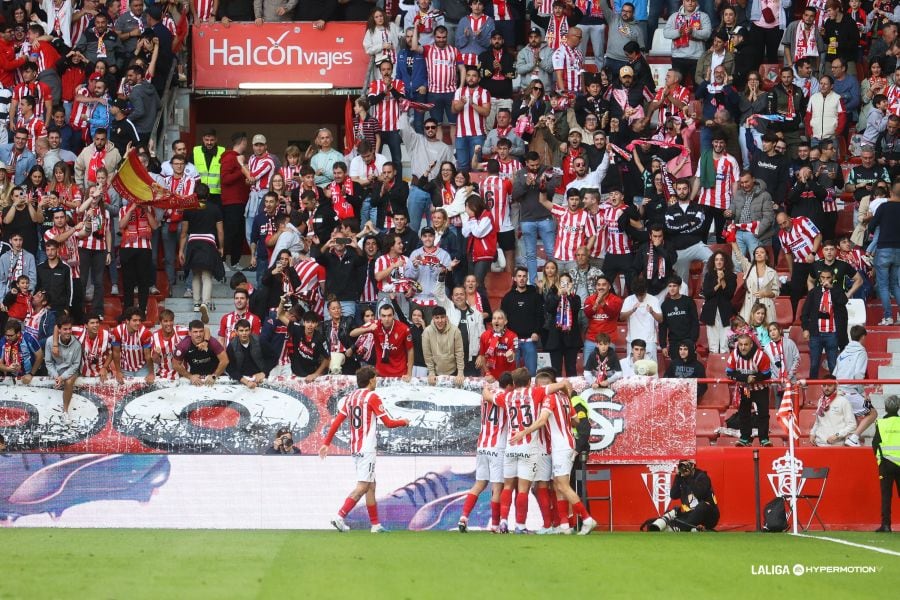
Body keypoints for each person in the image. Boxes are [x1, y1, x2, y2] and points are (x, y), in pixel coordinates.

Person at [319, 366, 411, 533]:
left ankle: (375, 525)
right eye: (375, 378)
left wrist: (326, 443)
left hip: (355, 447)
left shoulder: (350, 398)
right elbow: (389, 423)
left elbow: (337, 421)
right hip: (367, 448)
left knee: (371, 485)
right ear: (370, 380)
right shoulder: (372, 397)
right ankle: (340, 516)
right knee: (363, 486)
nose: (376, 381)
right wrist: (403, 421)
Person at [512, 368, 596, 535]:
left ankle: (587, 519)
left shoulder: (549, 399)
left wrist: (523, 432)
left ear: (545, 386)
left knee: (563, 486)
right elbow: (576, 420)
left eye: (538, 387)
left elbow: (542, 420)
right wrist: (562, 422)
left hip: (560, 446)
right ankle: (563, 525)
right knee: (558, 485)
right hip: (566, 443)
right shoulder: (565, 398)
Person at [458, 370, 512, 533]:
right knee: (497, 487)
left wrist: (487, 387)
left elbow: (486, 393)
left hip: (482, 445)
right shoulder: (506, 397)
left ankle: (463, 517)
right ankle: (495, 525)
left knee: (479, 484)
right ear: (509, 386)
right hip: (497, 446)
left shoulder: (486, 393)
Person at [833, 325, 878, 447]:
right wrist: (863, 394)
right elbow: (859, 374)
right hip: (851, 391)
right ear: (863, 337)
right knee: (873, 413)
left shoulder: (842, 353)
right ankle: (853, 438)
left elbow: (834, 373)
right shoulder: (861, 352)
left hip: (838, 391)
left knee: (852, 418)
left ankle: (850, 439)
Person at [644, 459, 719, 532]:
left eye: (685, 465)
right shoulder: (682, 478)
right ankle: (692, 528)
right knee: (675, 510)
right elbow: (673, 495)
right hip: (691, 514)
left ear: (692, 465)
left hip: (709, 515)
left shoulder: (702, 477)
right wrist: (677, 477)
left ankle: (678, 527)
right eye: (681, 466)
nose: (683, 468)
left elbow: (699, 494)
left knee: (701, 506)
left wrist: (689, 478)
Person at [726, 333, 773, 447]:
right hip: (746, 389)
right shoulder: (734, 355)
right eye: (741, 345)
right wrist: (745, 378)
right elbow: (729, 373)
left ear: (751, 345)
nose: (743, 347)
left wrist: (755, 378)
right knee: (744, 412)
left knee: (763, 413)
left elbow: (767, 374)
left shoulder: (761, 356)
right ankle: (745, 438)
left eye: (746, 344)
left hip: (760, 389)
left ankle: (764, 439)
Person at [802, 269, 848, 378]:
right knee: (814, 365)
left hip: (832, 334)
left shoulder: (838, 291)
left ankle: (835, 390)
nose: (825, 280)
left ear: (833, 278)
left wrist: (833, 289)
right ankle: (812, 390)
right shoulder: (814, 292)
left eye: (828, 277)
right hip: (815, 334)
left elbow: (844, 301)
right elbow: (804, 313)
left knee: (833, 365)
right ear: (819, 278)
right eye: (823, 277)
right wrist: (805, 328)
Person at [777, 211, 822, 321]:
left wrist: (813, 253)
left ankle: (820, 316)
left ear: (789, 218)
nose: (783, 226)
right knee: (794, 290)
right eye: (780, 224)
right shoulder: (781, 234)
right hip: (799, 263)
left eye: (785, 223)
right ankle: (794, 318)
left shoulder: (802, 221)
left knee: (819, 289)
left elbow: (818, 236)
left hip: (816, 259)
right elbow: (787, 253)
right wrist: (792, 272)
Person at [351, 303, 414, 381]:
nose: (386, 319)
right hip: (381, 373)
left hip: (400, 373)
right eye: (383, 316)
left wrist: (409, 373)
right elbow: (352, 333)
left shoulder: (404, 329)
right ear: (379, 316)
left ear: (393, 316)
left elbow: (410, 350)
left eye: (389, 315)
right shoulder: (374, 324)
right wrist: (368, 329)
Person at [500, 267, 544, 375]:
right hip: (512, 341)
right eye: (519, 276)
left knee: (532, 374)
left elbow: (540, 316)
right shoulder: (508, 297)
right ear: (514, 278)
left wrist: (536, 332)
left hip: (530, 340)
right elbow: (502, 318)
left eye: (524, 276)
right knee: (512, 374)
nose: (522, 279)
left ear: (527, 278)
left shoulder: (535, 296)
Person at [663, 0, 711, 87]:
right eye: (687, 0)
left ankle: (699, 101)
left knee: (699, 88)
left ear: (696, 2)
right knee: (676, 87)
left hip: (697, 57)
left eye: (693, 1)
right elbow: (666, 33)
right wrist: (678, 32)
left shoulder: (703, 16)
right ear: (683, 2)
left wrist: (693, 32)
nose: (690, 3)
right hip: (678, 57)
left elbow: (707, 34)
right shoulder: (674, 16)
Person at [543, 272, 582, 377]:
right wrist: (558, 295)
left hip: (571, 339)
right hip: (556, 339)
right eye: (562, 282)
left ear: (571, 284)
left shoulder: (575, 297)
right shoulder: (552, 296)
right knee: (555, 370)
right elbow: (549, 309)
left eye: (567, 282)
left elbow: (575, 308)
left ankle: (572, 392)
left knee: (571, 369)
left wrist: (569, 294)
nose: (564, 285)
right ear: (557, 284)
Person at [277, 306, 329, 382]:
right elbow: (280, 315)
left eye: (313, 322)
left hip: (310, 377)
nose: (310, 325)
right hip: (293, 374)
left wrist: (315, 374)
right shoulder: (297, 329)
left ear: (317, 324)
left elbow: (327, 358)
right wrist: (282, 302)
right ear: (304, 322)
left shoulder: (321, 338)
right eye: (308, 322)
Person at [872, 394, 900, 533]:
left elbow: (875, 444)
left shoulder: (881, 423)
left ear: (886, 408)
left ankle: (886, 525)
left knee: (886, 495)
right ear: (898, 407)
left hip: (886, 464)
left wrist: (879, 461)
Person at [172, 320, 229, 385]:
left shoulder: (212, 342)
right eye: (195, 332)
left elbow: (225, 360)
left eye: (201, 331)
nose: (198, 334)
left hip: (213, 377)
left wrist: (214, 376)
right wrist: (190, 376)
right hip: (196, 378)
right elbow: (175, 364)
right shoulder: (184, 345)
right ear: (190, 333)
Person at [701, 251, 737, 353]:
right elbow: (707, 294)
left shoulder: (731, 276)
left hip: (725, 312)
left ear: (725, 262)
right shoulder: (708, 275)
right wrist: (717, 283)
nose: (719, 262)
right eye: (716, 259)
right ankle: (714, 366)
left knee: (725, 345)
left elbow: (729, 294)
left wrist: (722, 280)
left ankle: (724, 366)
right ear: (713, 262)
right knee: (713, 345)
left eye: (721, 259)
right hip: (711, 312)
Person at [619, 275, 662, 358]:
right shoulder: (628, 300)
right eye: (637, 295)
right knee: (632, 369)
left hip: (649, 342)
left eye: (642, 295)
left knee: (650, 370)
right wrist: (632, 310)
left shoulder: (654, 299)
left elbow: (660, 319)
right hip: (632, 341)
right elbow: (621, 318)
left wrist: (652, 312)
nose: (640, 297)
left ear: (646, 290)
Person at [422, 305, 465, 385]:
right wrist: (431, 372)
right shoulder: (427, 332)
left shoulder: (455, 331)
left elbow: (459, 352)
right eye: (437, 318)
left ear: (446, 318)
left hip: (453, 372)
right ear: (433, 319)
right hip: (435, 373)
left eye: (442, 317)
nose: (440, 320)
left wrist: (460, 372)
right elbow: (427, 355)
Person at [809, 376, 858, 447]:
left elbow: (852, 425)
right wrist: (812, 433)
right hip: (819, 443)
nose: (826, 388)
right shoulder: (821, 401)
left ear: (835, 386)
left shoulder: (843, 401)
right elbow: (818, 422)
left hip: (836, 445)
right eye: (824, 385)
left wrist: (837, 435)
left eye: (829, 385)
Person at [111, 307, 154, 383]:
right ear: (127, 321)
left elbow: (148, 355)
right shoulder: (117, 331)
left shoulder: (145, 332)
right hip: (125, 368)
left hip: (142, 368)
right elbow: (116, 353)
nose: (138, 323)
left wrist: (151, 373)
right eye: (134, 320)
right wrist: (118, 371)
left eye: (139, 320)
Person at [476, 309, 517, 382]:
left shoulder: (513, 336)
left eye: (499, 318)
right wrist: (488, 373)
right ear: (492, 321)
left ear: (505, 322)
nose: (496, 321)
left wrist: (510, 356)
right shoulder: (485, 335)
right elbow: (482, 357)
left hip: (507, 377)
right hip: (490, 377)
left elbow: (514, 356)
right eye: (494, 318)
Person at [0, 318, 42, 384]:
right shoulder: (3, 341)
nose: (7, 338)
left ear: (18, 333)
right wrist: (8, 369)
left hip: (30, 374)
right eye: (6, 335)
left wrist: (31, 374)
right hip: (11, 375)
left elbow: (40, 356)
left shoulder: (29, 339)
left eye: (10, 336)